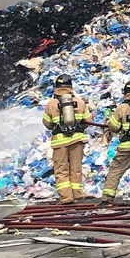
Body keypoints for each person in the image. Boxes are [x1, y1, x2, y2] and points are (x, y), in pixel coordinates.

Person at [42, 74, 92, 204]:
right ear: (71, 86)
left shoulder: (51, 104)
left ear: (57, 87)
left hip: (60, 141)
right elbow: (88, 122)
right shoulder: (80, 102)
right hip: (77, 140)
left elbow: (47, 123)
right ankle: (77, 194)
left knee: (61, 169)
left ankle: (66, 197)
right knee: (76, 168)